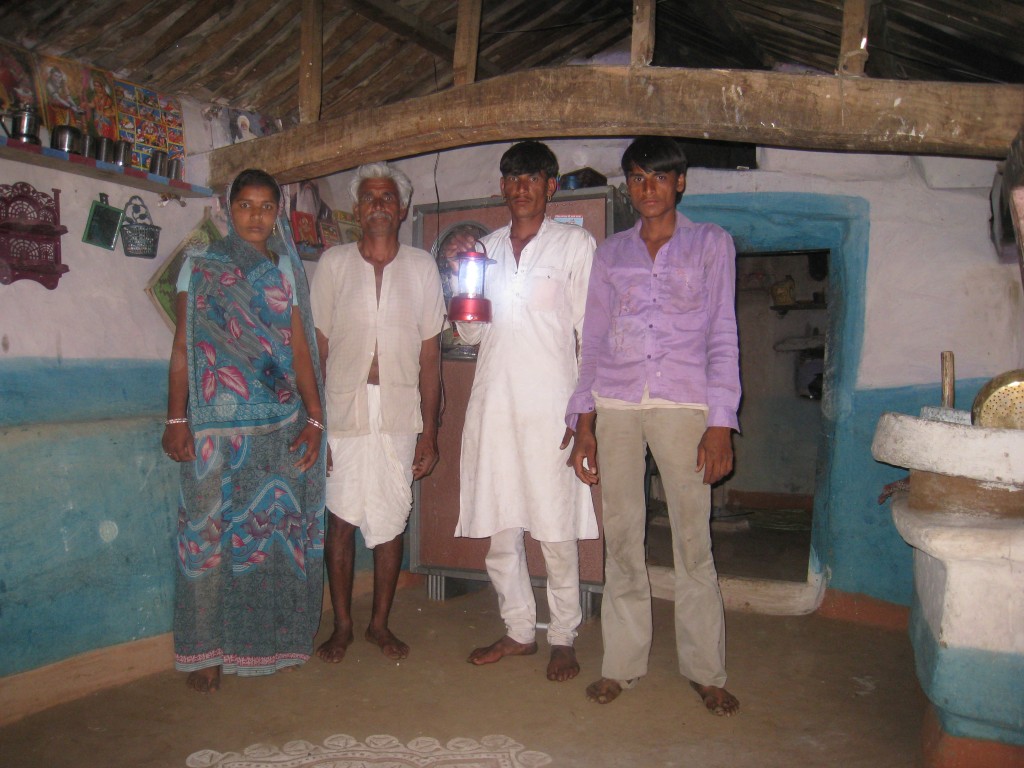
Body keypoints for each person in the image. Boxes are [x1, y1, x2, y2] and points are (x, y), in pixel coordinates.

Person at [567, 136, 741, 715]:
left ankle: (705, 668)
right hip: (615, 404)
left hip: (685, 405)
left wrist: (720, 423)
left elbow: (723, 334)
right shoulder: (610, 253)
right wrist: (583, 423)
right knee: (622, 537)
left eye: (659, 178)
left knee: (694, 541)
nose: (648, 188)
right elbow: (591, 342)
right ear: (628, 185)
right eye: (638, 178)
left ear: (680, 182)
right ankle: (621, 664)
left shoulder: (711, 244)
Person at [162, 168, 328, 693]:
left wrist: (316, 419)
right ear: (228, 210)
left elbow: (301, 351)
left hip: (279, 426)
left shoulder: (285, 272)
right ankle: (205, 653)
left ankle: (273, 643)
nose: (256, 216)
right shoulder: (198, 267)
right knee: (206, 542)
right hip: (213, 428)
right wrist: (175, 418)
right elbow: (184, 347)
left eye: (265, 207)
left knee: (275, 540)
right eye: (245, 206)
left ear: (277, 212)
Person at [453, 140, 598, 682]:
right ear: (503, 187)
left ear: (550, 186)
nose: (521, 188)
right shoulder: (482, 250)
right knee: (502, 529)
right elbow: (469, 333)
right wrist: (461, 281)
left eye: (532, 178)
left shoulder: (574, 246)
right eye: (512, 178)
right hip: (494, 407)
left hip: (552, 411)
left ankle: (563, 636)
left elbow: (592, 335)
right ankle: (518, 631)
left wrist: (584, 417)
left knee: (556, 530)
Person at [311, 162, 444, 663]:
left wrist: (430, 432)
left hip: (398, 413)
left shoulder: (422, 268)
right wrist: (316, 424)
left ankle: (379, 625)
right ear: (356, 208)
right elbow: (316, 347)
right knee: (340, 520)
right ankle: (343, 626)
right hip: (343, 411)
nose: (379, 206)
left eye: (388, 198)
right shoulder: (334, 264)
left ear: (402, 208)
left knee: (390, 520)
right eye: (370, 198)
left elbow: (430, 355)